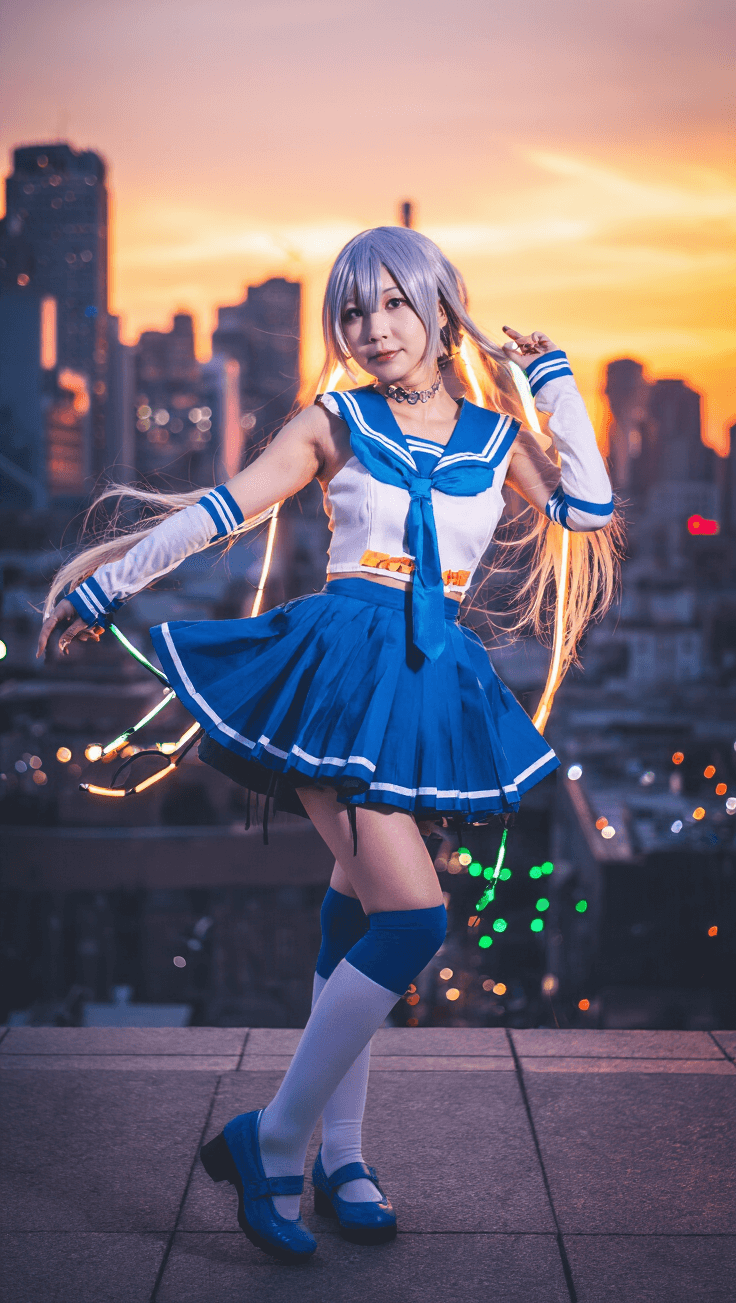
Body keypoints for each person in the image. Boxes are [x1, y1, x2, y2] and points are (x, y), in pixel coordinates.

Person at [38, 227, 618, 1265]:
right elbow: (218, 514)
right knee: (415, 920)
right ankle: (271, 1140)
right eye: (353, 310)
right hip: (339, 674)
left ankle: (342, 1158)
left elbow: (590, 506)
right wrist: (105, 583)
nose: (374, 328)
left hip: (429, 683)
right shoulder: (332, 422)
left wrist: (554, 382)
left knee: (358, 910)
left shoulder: (497, 439)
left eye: (394, 303)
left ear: (441, 309)